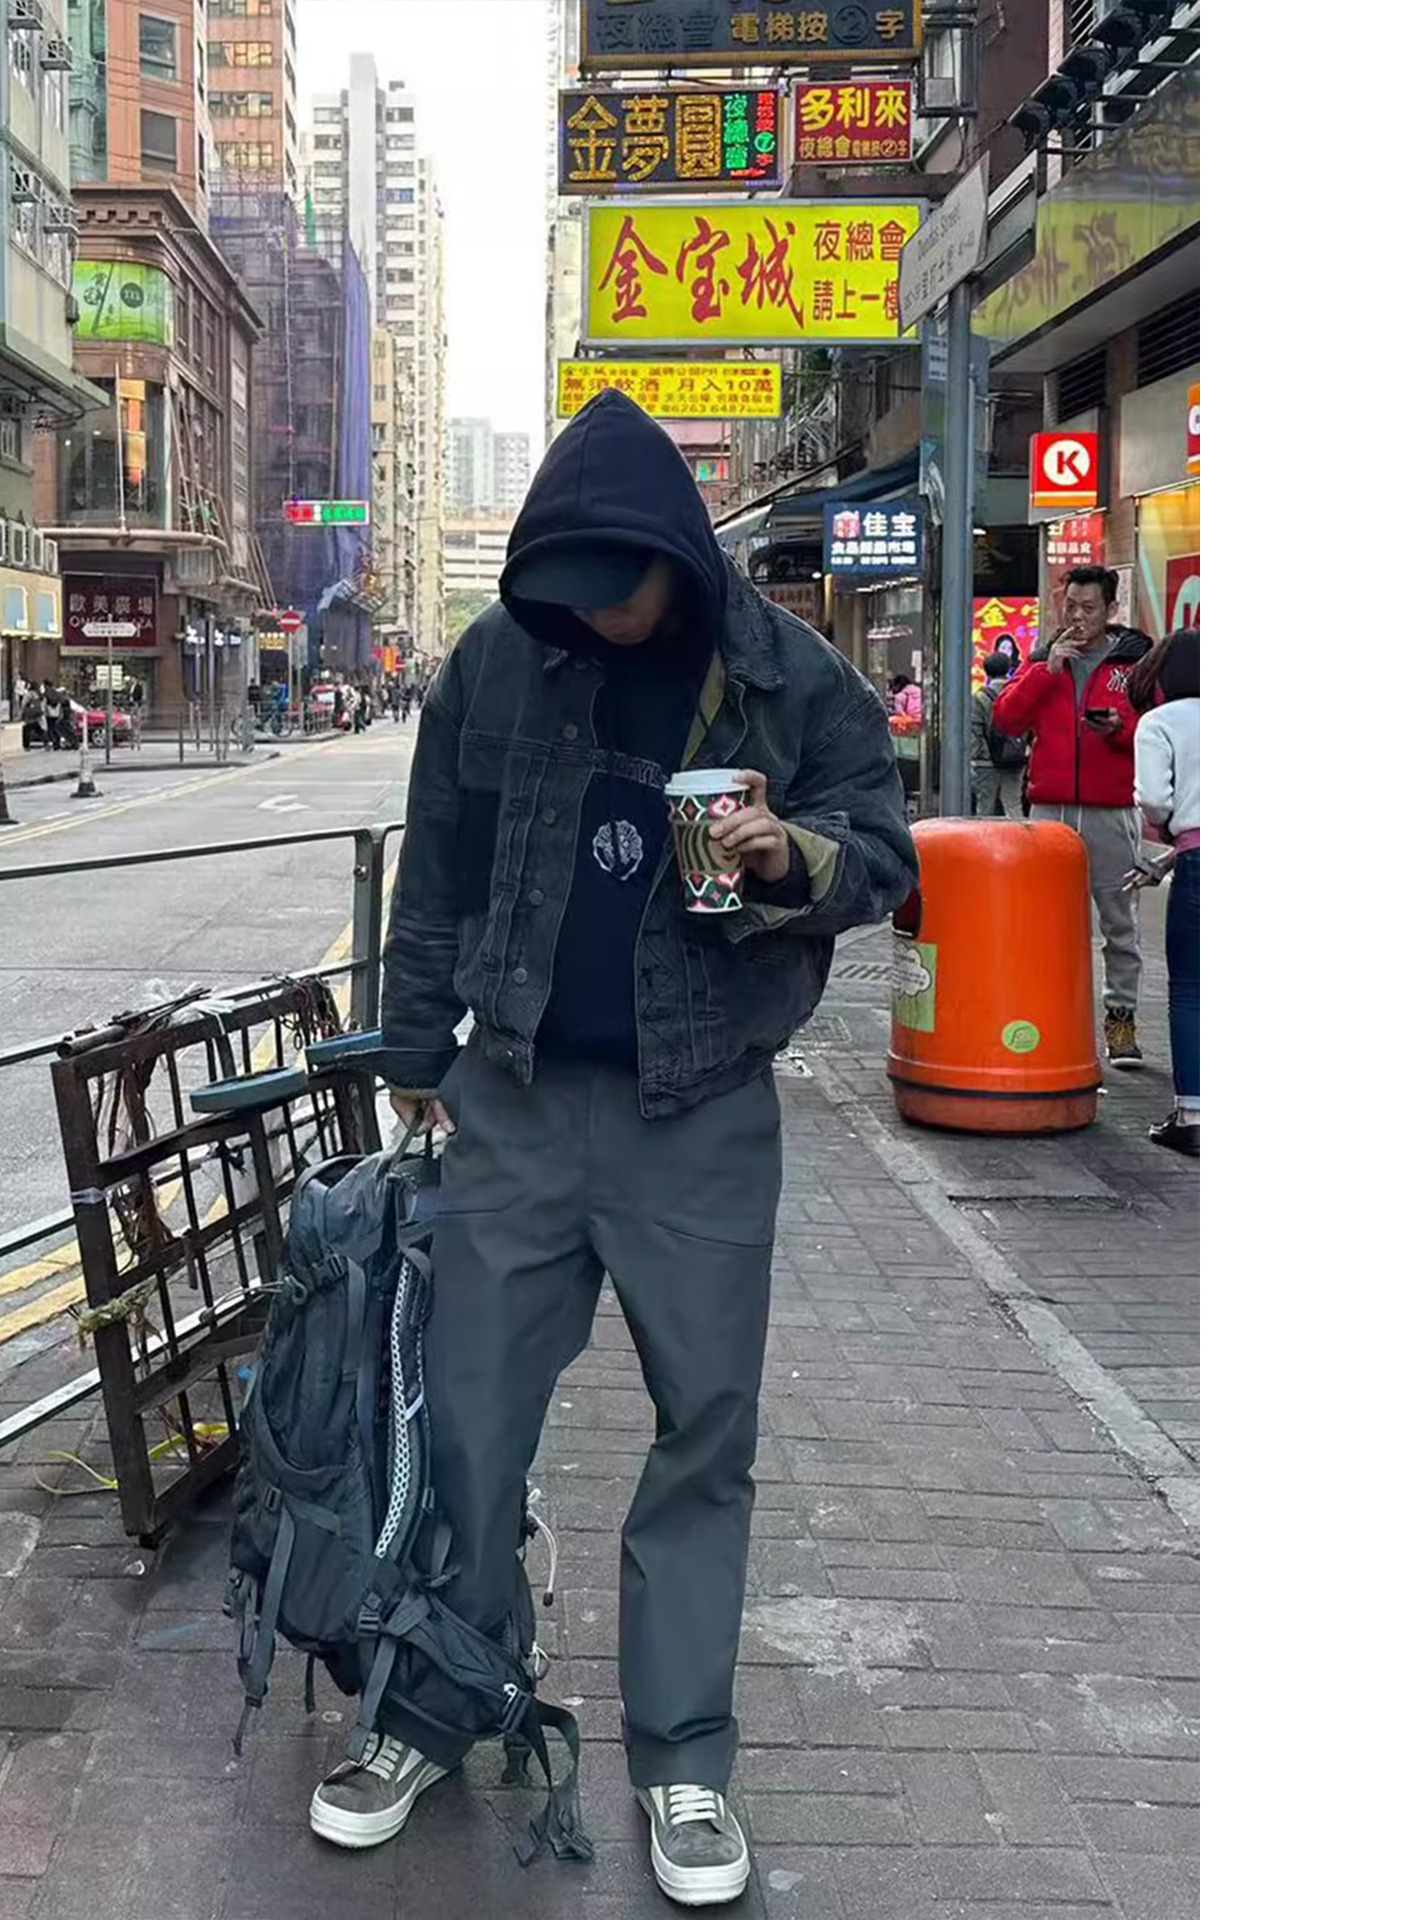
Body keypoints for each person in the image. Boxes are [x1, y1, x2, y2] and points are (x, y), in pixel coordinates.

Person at [328, 389, 916, 1907]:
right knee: (465, 1419)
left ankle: (684, 1761)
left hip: (701, 1108)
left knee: (704, 1433)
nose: (592, 615)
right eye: (566, 590)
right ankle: (437, 1701)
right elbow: (437, 870)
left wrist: (792, 854)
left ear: (675, 558)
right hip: (515, 1095)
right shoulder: (499, 661)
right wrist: (414, 1054)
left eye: (616, 586)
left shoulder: (793, 678)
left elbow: (886, 856)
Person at [991, 565, 1154, 1067]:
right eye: (1071, 608)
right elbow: (1006, 720)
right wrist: (1046, 671)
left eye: (1089, 608)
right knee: (1048, 923)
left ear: (1111, 610)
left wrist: (1118, 729)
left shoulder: (1133, 664)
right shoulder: (1044, 660)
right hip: (1050, 811)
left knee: (1119, 924)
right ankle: (1052, 1017)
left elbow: (1153, 731)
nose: (1078, 618)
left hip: (1112, 812)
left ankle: (1121, 1021)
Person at [1132, 629, 1200, 1157]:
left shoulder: (1160, 722)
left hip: (1202, 864)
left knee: (1191, 990)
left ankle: (1193, 1116)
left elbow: (1154, 800)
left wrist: (1168, 831)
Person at [969, 652, 1026, 817]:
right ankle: (1018, 833)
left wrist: (980, 757)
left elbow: (975, 731)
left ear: (986, 671)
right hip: (1014, 758)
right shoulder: (1017, 693)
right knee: (1013, 805)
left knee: (985, 808)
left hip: (986, 763)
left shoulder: (979, 698)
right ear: (1009, 669)